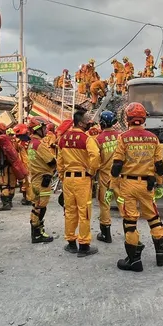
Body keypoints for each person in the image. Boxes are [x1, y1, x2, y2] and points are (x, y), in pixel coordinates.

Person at [110, 102, 163, 272]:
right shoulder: (153, 138)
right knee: (153, 218)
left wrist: (111, 186)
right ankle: (161, 254)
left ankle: (134, 261)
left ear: (127, 119)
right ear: (144, 118)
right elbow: (159, 165)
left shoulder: (123, 138)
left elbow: (117, 165)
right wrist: (160, 184)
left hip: (127, 185)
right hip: (147, 185)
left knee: (130, 222)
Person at [57, 109, 100, 257]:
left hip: (68, 179)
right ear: (81, 123)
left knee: (69, 211)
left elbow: (59, 161)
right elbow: (95, 155)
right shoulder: (87, 139)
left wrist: (62, 177)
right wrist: (91, 171)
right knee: (84, 212)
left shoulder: (63, 139)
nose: (89, 122)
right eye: (87, 120)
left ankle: (71, 243)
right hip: (82, 179)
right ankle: (84, 246)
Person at [27, 118, 57, 244]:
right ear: (37, 129)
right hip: (43, 180)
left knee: (36, 206)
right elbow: (51, 161)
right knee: (41, 207)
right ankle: (37, 233)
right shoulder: (39, 144)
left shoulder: (31, 143)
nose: (45, 130)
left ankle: (37, 231)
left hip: (35, 179)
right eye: (43, 128)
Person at [94, 111, 120, 244]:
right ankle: (131, 231)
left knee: (105, 204)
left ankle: (105, 234)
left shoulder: (98, 139)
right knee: (123, 203)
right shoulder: (120, 136)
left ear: (101, 123)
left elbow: (95, 160)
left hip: (105, 176)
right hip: (120, 176)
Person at [0, 124, 27, 210]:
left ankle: (5, 203)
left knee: (4, 185)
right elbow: (21, 152)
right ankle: (10, 201)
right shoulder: (13, 141)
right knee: (12, 184)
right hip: (13, 166)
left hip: (3, 167)